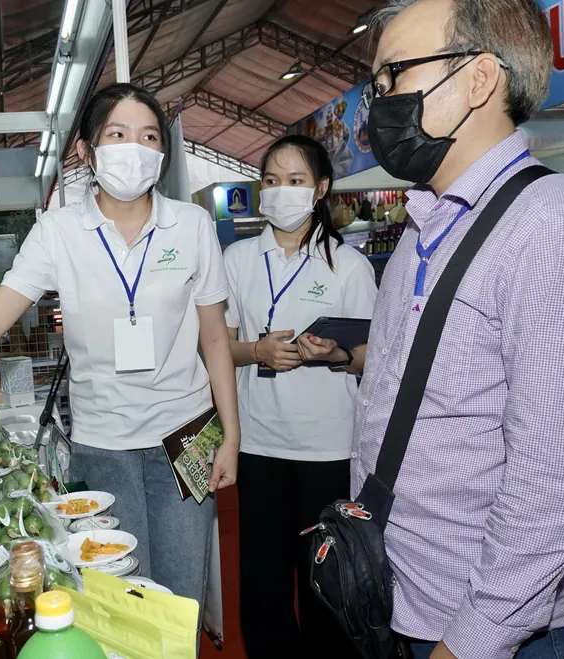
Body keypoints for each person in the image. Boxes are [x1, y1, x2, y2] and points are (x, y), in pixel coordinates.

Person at [0, 82, 240, 612]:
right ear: (87, 151)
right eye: (118, 133)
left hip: (185, 439)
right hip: (104, 442)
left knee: (181, 600)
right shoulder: (57, 231)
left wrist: (231, 435)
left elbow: (214, 338)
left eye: (149, 136)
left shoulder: (194, 225)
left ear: (162, 152)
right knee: (122, 603)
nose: (134, 148)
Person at [345, 1, 564, 658]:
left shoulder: (554, 226)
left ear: (479, 80)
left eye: (395, 74)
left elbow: (552, 476)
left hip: (480, 633)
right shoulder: (420, 228)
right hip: (398, 602)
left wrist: (472, 638)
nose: (377, 103)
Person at [224, 135, 375, 658]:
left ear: (321, 189)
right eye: (270, 181)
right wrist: (257, 351)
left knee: (325, 587)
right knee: (262, 587)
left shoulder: (349, 266)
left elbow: (370, 359)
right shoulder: (238, 259)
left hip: (327, 449)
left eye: (295, 181)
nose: (280, 192)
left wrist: (333, 353)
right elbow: (217, 345)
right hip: (259, 445)